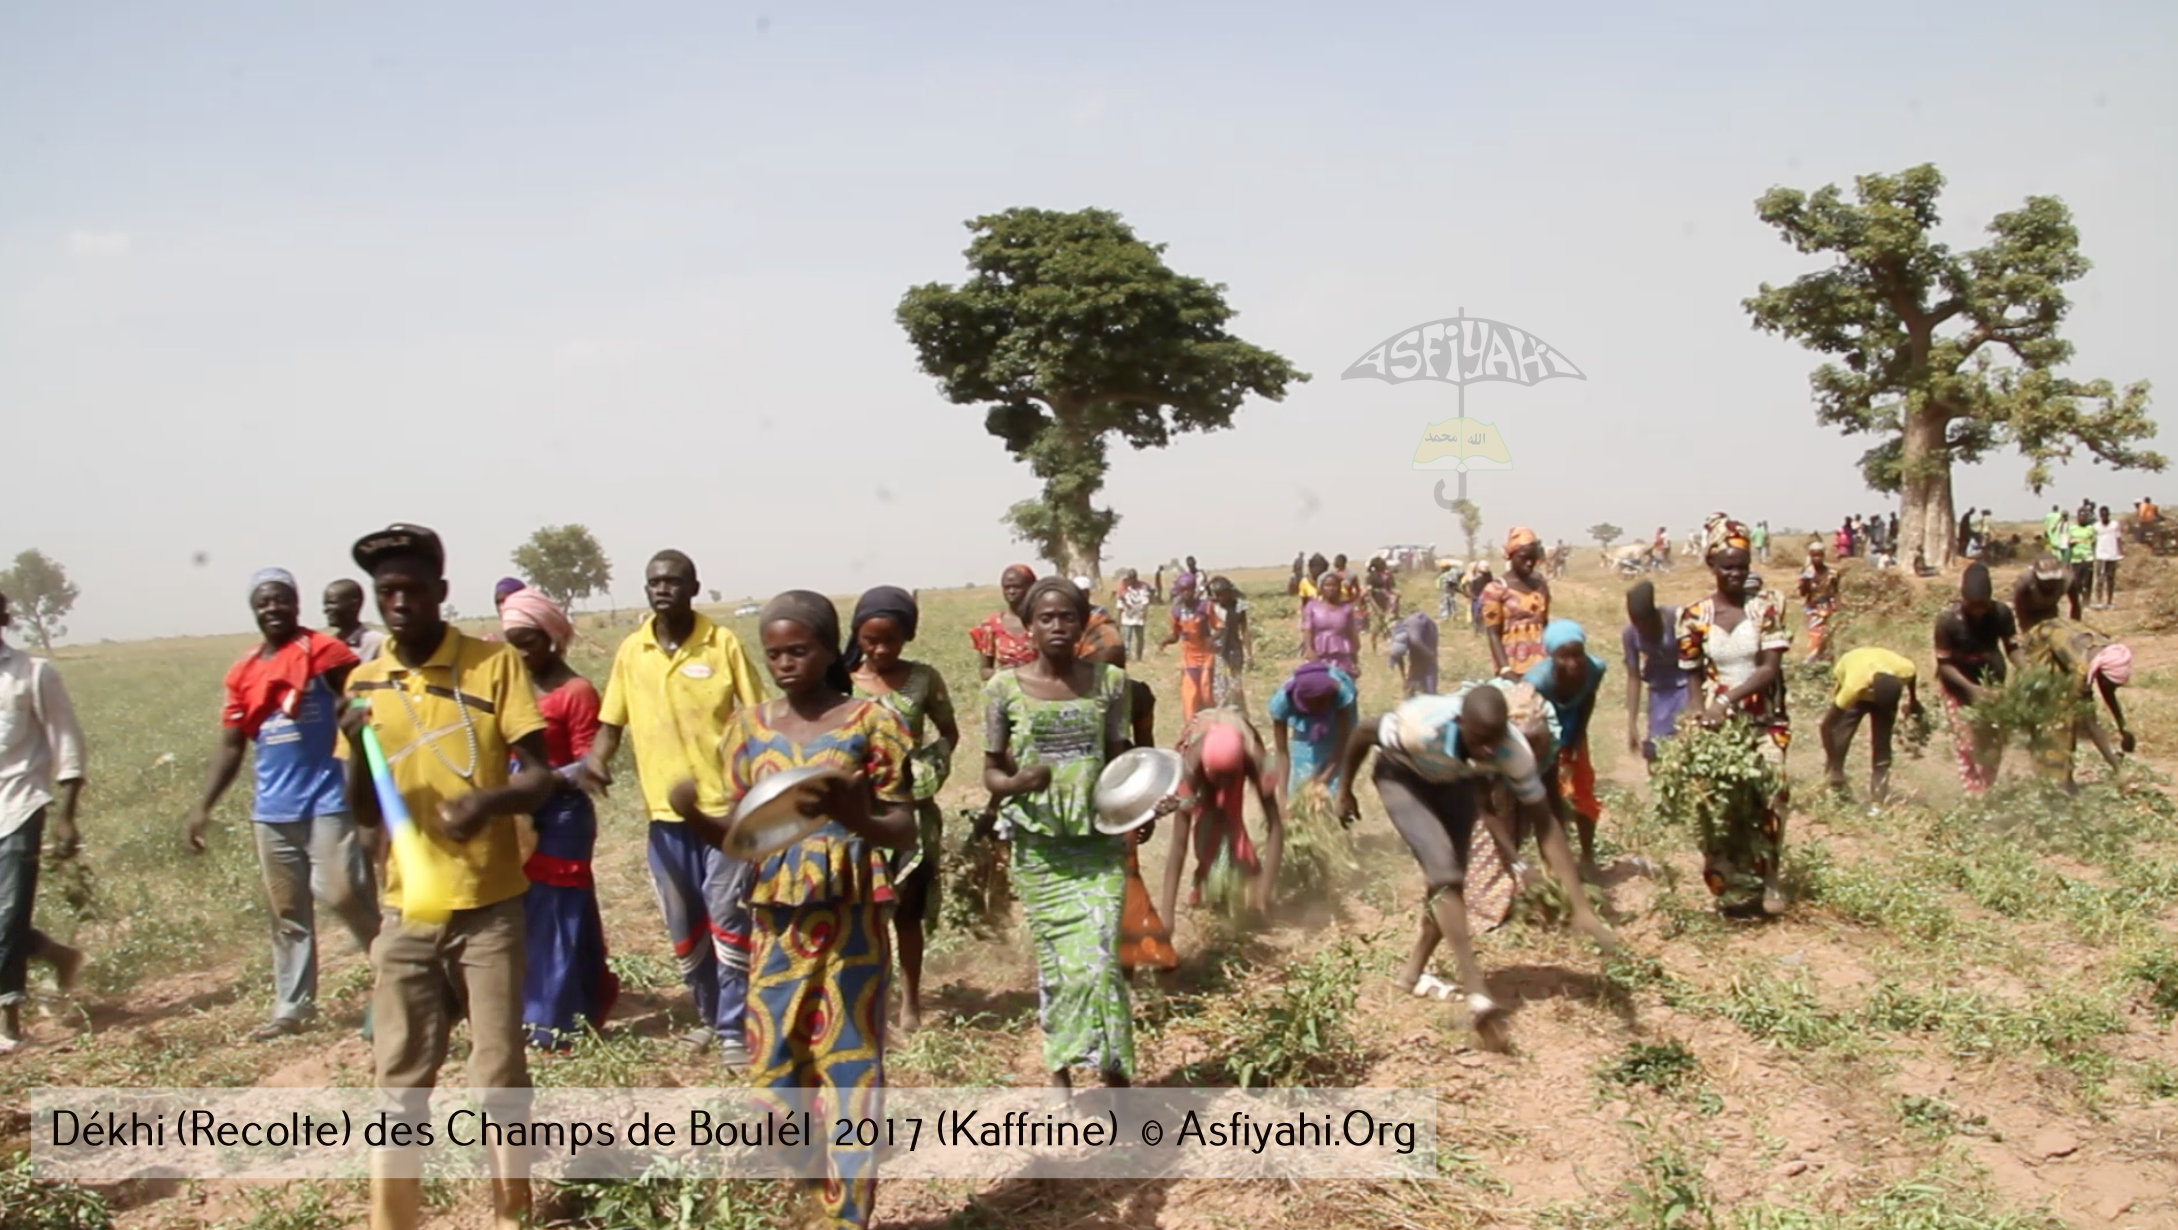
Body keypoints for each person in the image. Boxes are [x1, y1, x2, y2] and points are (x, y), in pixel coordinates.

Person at [666, 591, 913, 1230]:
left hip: (851, 915)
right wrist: (693, 812)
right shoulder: (747, 729)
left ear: (832, 650)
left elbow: (903, 827)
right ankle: (816, 1178)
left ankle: (849, 1215)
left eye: (798, 650)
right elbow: (741, 838)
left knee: (851, 1068)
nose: (784, 664)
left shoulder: (870, 723)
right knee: (773, 1065)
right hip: (777, 920)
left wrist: (856, 818)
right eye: (773, 653)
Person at [336, 524, 554, 1230]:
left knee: (497, 1079)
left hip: (489, 906)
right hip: (407, 909)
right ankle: (392, 1221)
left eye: (411, 589)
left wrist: (489, 801)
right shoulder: (364, 682)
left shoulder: (492, 668)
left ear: (440, 594)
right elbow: (362, 807)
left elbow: (541, 777)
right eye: (386, 591)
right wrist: (352, 740)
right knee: (397, 1082)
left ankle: (510, 1214)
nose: (398, 602)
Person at [1332, 683, 1616, 1048]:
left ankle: (1412, 974)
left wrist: (1581, 906)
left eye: (1494, 741)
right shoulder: (1421, 725)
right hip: (1402, 776)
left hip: (1454, 782)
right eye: (1480, 739)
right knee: (1444, 874)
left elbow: (1545, 822)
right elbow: (1363, 732)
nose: (1488, 749)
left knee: (1451, 885)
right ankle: (1476, 992)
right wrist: (1344, 791)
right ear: (1459, 721)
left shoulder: (1511, 749)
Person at [584, 549, 767, 1068]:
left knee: (728, 918)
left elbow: (755, 718)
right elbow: (610, 724)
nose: (662, 589)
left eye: (673, 581)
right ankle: (710, 1016)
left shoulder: (723, 643)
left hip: (724, 814)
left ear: (693, 587)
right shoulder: (632, 651)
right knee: (684, 927)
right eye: (654, 582)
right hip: (664, 821)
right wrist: (597, 761)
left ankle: (735, 1027)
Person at [186, 567, 376, 1042]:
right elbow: (232, 745)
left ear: (296, 603)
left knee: (343, 893)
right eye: (264, 603)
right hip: (272, 811)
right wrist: (203, 807)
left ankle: (402, 975)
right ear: (254, 609)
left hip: (330, 799)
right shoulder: (245, 671)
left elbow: (361, 713)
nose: (273, 609)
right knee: (288, 912)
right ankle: (292, 1008)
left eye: (281, 600)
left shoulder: (326, 655)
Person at [983, 576, 1136, 1090]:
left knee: (1100, 957)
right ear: (1027, 626)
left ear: (1082, 623)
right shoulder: (1002, 689)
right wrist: (1017, 782)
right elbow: (991, 773)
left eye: (1066, 616)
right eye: (1045, 617)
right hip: (1039, 850)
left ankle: (1113, 1070)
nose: (1056, 625)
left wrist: (1144, 806)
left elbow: (1119, 761)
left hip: (1097, 845)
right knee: (1057, 963)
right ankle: (1061, 1067)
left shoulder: (1110, 684)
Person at [499, 589, 616, 1052]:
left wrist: (539, 780)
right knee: (531, 913)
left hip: (563, 814)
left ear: (551, 638)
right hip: (517, 813)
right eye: (512, 643)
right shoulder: (510, 688)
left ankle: (553, 1020)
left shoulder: (576, 691)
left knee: (558, 914)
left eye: (527, 641)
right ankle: (576, 1000)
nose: (520, 653)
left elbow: (588, 761)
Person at [845, 586, 959, 1033]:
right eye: (870, 640)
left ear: (907, 636)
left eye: (890, 640)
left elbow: (949, 733)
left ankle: (911, 1000)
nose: (880, 649)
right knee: (865, 911)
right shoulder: (842, 680)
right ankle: (874, 998)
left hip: (909, 813)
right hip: (855, 815)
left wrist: (926, 771)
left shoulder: (923, 679)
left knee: (907, 910)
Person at [1677, 514, 1793, 917]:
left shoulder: (1765, 610)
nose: (1735, 574)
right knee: (1719, 805)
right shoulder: (1693, 617)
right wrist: (1697, 719)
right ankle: (1729, 884)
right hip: (1719, 727)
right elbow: (1691, 677)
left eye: (1741, 567)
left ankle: (1771, 877)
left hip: (1765, 721)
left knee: (1773, 793)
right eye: (1727, 567)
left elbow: (1769, 668)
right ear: (1711, 566)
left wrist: (1726, 702)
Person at [0, 591, 88, 1054]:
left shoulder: (33, 674)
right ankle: (58, 955)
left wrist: (67, 816)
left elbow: (66, 739)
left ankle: (8, 1021)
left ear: (4, 616)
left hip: (21, 804)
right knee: (3, 919)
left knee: (8, 912)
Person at [1162, 709, 1284, 919]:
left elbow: (1275, 825)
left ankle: (1244, 872)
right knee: (1207, 821)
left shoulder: (1255, 759)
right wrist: (1167, 916)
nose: (1223, 787)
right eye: (1218, 779)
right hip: (1204, 762)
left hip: (1239, 754)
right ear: (1207, 771)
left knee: (1231, 815)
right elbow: (1178, 845)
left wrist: (1265, 889)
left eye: (1229, 779)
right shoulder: (1190, 768)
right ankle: (1206, 879)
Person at [1526, 620, 1608, 875]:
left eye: (1578, 654)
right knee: (1550, 799)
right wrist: (1547, 756)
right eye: (1564, 657)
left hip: (1572, 728)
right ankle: (1555, 865)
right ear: (1551, 657)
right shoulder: (1536, 682)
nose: (1573, 663)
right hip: (1542, 733)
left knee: (1583, 793)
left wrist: (1576, 739)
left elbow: (1588, 699)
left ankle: (1587, 856)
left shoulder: (1595, 669)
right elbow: (1531, 723)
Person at [1933, 563, 2019, 795]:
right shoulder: (1948, 621)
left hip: (1992, 682)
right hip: (1958, 685)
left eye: (1983, 605)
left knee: (1993, 739)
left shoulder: (2001, 613)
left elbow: (2011, 647)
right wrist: (1971, 689)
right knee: (1967, 741)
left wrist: (2025, 667)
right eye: (1973, 606)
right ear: (1963, 600)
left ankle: (1987, 788)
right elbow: (1944, 665)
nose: (1979, 611)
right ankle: (1973, 793)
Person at [2020, 619, 2136, 789]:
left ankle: (2065, 778)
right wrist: (2119, 770)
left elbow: (2107, 689)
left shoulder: (2106, 653)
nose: (2107, 689)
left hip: (2061, 649)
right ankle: (2057, 781)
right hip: (2041, 651)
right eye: (2106, 683)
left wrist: (2122, 725)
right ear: (2099, 674)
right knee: (2061, 722)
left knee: (2075, 716)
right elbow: (2090, 723)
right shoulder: (2080, 666)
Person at [1820, 647, 1922, 803]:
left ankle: (1879, 793)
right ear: (1870, 691)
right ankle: (1835, 777)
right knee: (1843, 732)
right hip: (1853, 667)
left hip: (1880, 676)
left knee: (1882, 742)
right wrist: (1832, 759)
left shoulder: (1905, 670)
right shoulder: (1854, 687)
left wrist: (1913, 701)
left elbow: (1912, 676)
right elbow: (1826, 726)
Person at [1268, 660, 1358, 801]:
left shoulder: (1341, 693)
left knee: (1332, 792)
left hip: (1336, 726)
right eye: (1313, 706)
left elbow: (1344, 741)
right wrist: (1283, 797)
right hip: (1304, 733)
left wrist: (1324, 778)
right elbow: (1281, 752)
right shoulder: (1282, 702)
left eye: (1321, 704)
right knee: (1300, 778)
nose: (1317, 709)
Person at [1622, 581, 1687, 766]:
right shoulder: (1630, 634)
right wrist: (1632, 722)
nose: (1642, 629)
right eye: (1636, 624)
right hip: (1659, 691)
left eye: (1645, 623)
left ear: (1654, 614)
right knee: (1656, 749)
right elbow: (1633, 677)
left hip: (1687, 685)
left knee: (1687, 740)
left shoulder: (1676, 619)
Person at [1481, 527, 1551, 679]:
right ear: (1511, 556)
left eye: (1533, 558)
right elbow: (1493, 633)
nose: (1529, 562)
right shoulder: (1496, 589)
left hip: (1542, 665)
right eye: (1523, 557)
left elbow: (1545, 624)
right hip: (1512, 667)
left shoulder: (1541, 585)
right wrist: (1505, 669)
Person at [1161, 574, 1223, 723]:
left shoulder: (1206, 607)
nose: (1186, 593)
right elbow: (1175, 635)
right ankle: (1190, 728)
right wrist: (1164, 642)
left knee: (1206, 690)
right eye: (1182, 590)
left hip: (1206, 654)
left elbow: (1220, 627)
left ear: (1194, 589)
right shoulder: (1176, 612)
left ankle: (1212, 721)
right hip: (1189, 656)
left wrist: (1213, 639)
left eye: (1188, 590)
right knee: (1190, 694)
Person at [970, 564, 1040, 680]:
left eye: (1017, 587)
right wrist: (1002, 673)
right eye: (1007, 587)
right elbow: (984, 671)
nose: (1011, 592)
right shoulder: (991, 626)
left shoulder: (1044, 622)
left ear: (1031, 587)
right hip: (1007, 692)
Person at [1301, 571, 1362, 679]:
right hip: (1319, 657)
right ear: (1320, 588)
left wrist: (1354, 660)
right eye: (1327, 585)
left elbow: (1351, 633)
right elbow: (1307, 630)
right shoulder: (1312, 607)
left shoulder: (1346, 609)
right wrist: (1310, 651)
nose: (1331, 588)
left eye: (1334, 585)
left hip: (1342, 657)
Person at [324, 578, 387, 663]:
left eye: (332, 603)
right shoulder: (329, 645)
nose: (325, 610)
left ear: (354, 605)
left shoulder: (377, 643)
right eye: (325, 604)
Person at [1797, 541, 1838, 663]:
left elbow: (1836, 592)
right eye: (1814, 555)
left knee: (1827, 636)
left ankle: (1825, 659)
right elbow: (1803, 593)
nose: (1817, 558)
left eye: (1819, 555)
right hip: (1813, 609)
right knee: (1815, 636)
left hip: (1829, 608)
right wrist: (1805, 581)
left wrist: (1837, 607)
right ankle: (1813, 660)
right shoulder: (1807, 573)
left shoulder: (1832, 574)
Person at [2012, 555, 2071, 635]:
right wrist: (2026, 630)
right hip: (2029, 612)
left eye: (2053, 579)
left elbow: (2075, 604)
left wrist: (2075, 626)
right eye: (2046, 580)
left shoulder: (2067, 579)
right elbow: (2019, 608)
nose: (2050, 583)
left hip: (2050, 610)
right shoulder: (2025, 581)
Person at [1388, 610, 1439, 697]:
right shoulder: (1398, 644)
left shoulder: (1407, 628)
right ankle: (1429, 694)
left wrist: (1428, 654)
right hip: (1422, 639)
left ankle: (1422, 694)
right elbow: (1415, 641)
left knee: (1421, 668)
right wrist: (1429, 653)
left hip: (1424, 633)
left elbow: (1415, 641)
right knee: (1427, 668)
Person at [2063, 507, 2096, 620]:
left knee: (2087, 581)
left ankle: (2086, 602)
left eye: (2084, 516)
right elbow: (2067, 543)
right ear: (2077, 517)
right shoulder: (2072, 529)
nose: (2082, 518)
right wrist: (2071, 544)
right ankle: (2078, 600)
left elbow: (2094, 543)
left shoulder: (2091, 529)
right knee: (2077, 583)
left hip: (2087, 558)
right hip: (2076, 559)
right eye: (2080, 516)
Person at [1116, 569, 1151, 662]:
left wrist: (1145, 614)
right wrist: (1118, 620)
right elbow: (1119, 606)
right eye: (1130, 578)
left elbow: (1145, 603)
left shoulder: (1142, 588)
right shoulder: (1123, 589)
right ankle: (1127, 658)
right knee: (1127, 639)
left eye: (1133, 578)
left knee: (1140, 639)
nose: (1132, 580)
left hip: (1139, 618)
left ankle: (1139, 657)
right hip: (1127, 618)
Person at [2094, 506, 2123, 610]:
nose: (2104, 516)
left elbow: (2118, 538)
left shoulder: (2114, 525)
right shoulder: (2096, 526)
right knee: (2100, 579)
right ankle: (2099, 601)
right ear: (2100, 515)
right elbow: (2094, 541)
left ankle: (2109, 601)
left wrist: (2120, 552)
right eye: (2102, 515)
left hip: (2112, 555)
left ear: (2108, 514)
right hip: (2100, 555)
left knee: (2110, 579)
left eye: (2105, 514)